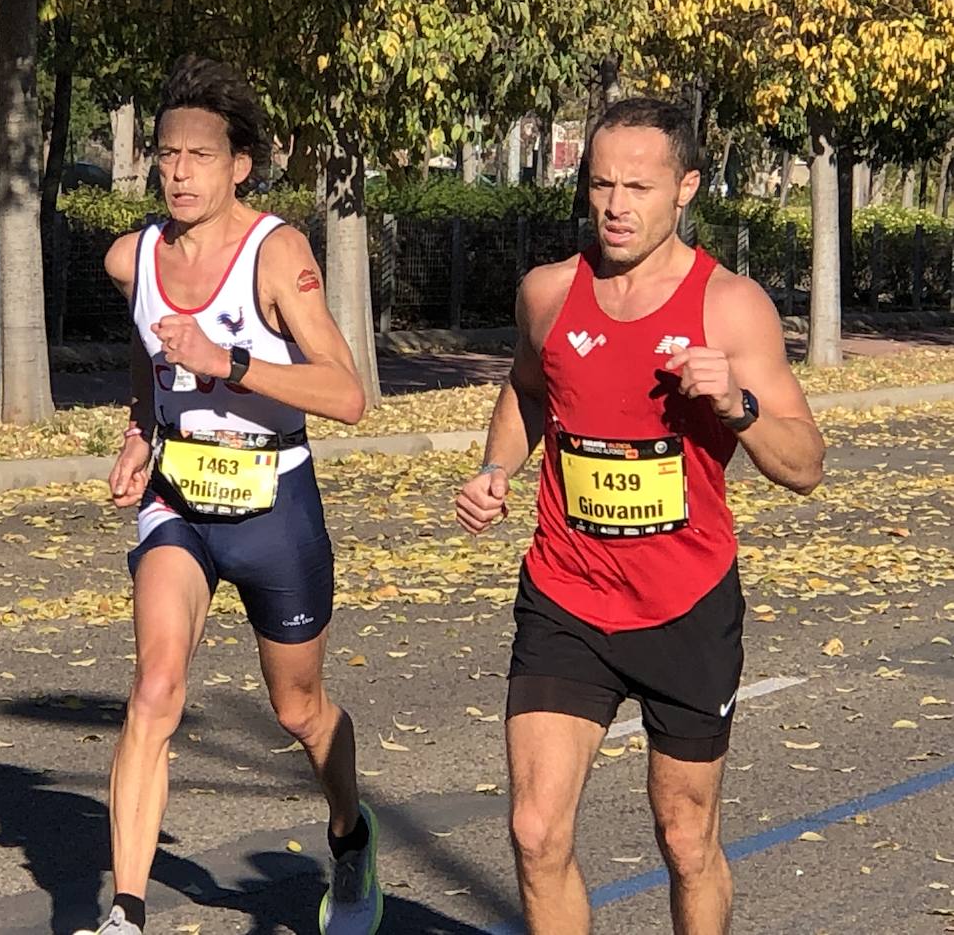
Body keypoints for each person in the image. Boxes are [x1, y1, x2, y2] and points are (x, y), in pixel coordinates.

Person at [455, 97, 825, 935]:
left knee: (686, 838)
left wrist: (737, 401)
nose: (617, 205)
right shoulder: (548, 293)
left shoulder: (729, 306)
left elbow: (805, 463)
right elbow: (527, 389)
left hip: (685, 605)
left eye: (640, 187)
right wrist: (495, 467)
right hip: (567, 593)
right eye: (601, 184)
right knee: (534, 828)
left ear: (686, 188)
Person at [79, 56, 382, 935]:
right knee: (155, 690)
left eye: (198, 156)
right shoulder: (131, 257)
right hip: (180, 501)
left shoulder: (276, 254)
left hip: (274, 506)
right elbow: (147, 354)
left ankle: (350, 832)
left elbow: (348, 393)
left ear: (239, 164)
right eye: (166, 155)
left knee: (298, 709)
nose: (177, 172)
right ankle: (125, 914)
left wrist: (230, 363)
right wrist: (142, 430)